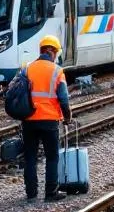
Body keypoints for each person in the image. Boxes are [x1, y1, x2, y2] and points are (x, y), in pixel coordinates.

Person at [20, 34, 74, 201]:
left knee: (30, 157)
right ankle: (51, 193)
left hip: (28, 119)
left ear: (41, 50)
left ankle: (31, 193)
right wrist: (67, 117)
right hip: (49, 120)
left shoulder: (27, 68)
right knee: (52, 157)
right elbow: (63, 99)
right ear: (54, 52)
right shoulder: (57, 71)